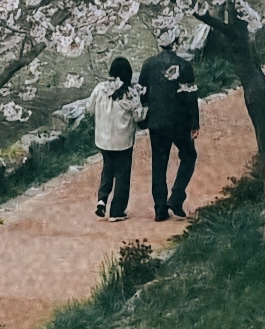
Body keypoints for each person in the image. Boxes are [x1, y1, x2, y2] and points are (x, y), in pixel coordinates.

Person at [141, 41, 202, 219]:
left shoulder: (148, 65)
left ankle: (160, 208)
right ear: (176, 43)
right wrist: (195, 123)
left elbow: (142, 94)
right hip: (180, 121)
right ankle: (176, 196)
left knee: (159, 164)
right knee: (189, 156)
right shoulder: (185, 66)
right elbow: (191, 95)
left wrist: (144, 119)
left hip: (157, 122)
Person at [86, 56, 142, 220]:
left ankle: (102, 200)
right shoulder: (131, 94)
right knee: (122, 174)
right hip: (123, 140)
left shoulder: (100, 88)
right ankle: (117, 211)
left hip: (103, 139)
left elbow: (89, 108)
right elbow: (138, 116)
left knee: (107, 169)